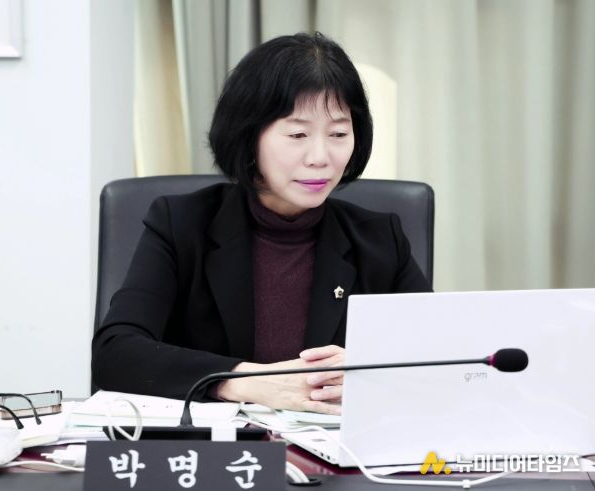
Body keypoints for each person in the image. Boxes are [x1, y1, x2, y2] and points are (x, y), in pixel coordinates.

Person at [92, 32, 431, 415]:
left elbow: (441, 357)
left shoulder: (380, 239)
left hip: (333, 445)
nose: (320, 157)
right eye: (298, 134)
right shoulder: (180, 224)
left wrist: (367, 368)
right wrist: (248, 381)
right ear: (249, 134)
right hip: (216, 446)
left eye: (338, 134)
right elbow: (114, 354)